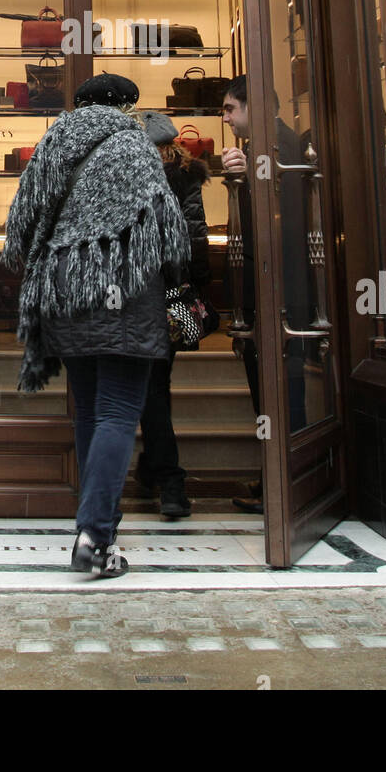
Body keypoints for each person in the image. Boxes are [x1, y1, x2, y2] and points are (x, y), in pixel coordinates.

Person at [2, 73, 189, 579]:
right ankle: (96, 536)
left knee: (89, 411)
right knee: (117, 411)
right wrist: (180, 294)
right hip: (124, 293)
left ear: (80, 104)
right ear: (126, 105)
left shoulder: (55, 139)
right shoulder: (134, 143)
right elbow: (167, 229)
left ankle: (94, 523)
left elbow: (19, 224)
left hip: (66, 288)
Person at [220, 74, 311, 512]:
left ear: (252, 104)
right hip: (276, 288)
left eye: (229, 108)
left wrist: (242, 181)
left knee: (278, 389)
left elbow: (278, 224)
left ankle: (286, 484)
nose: (225, 117)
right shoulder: (272, 145)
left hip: (279, 290)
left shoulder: (274, 147)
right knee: (274, 390)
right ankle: (278, 476)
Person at [134, 110, 212, 520]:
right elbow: (197, 237)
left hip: (141, 296)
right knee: (156, 385)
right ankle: (155, 471)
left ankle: (170, 482)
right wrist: (197, 288)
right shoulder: (186, 174)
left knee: (150, 389)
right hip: (173, 295)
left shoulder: (136, 176)